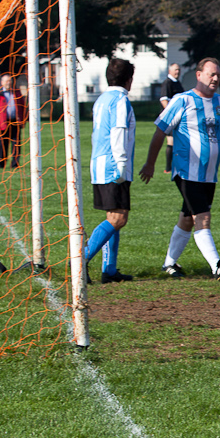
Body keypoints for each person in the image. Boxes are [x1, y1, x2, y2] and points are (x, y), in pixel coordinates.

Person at [138, 58, 220, 280]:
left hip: (209, 174)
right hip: (187, 171)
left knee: (188, 218)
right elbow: (160, 131)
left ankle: (169, 264)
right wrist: (150, 163)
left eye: (218, 75)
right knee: (202, 217)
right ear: (198, 75)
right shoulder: (182, 100)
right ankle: (217, 266)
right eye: (211, 74)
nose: (215, 79)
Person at [84, 59, 137, 284]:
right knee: (118, 218)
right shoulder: (120, 100)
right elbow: (118, 132)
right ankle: (79, 260)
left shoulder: (101, 100)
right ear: (129, 80)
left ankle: (109, 269)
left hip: (99, 163)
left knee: (113, 216)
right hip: (113, 165)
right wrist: (122, 164)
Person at [0, 73, 26, 169]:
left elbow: (23, 107)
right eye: (6, 81)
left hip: (15, 122)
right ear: (2, 82)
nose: (8, 83)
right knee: (2, 144)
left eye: (9, 81)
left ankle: (15, 164)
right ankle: (1, 164)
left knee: (16, 144)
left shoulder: (17, 93)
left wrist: (23, 120)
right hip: (2, 123)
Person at [159, 63, 185, 174]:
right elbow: (164, 100)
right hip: (170, 119)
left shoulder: (177, 83)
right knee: (171, 142)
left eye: (178, 70)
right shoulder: (167, 83)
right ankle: (168, 168)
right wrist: (171, 114)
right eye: (175, 70)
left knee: (177, 142)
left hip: (178, 118)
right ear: (170, 71)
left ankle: (176, 166)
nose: (177, 72)